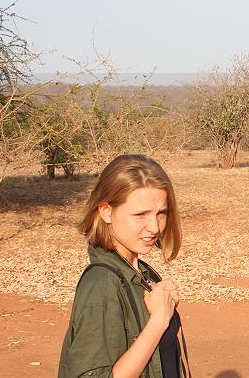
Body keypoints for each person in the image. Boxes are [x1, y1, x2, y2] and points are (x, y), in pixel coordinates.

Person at [58, 154, 191, 378]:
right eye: (140, 215)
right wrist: (159, 320)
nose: (154, 227)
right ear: (106, 211)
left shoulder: (140, 274)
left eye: (161, 213)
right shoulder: (101, 284)